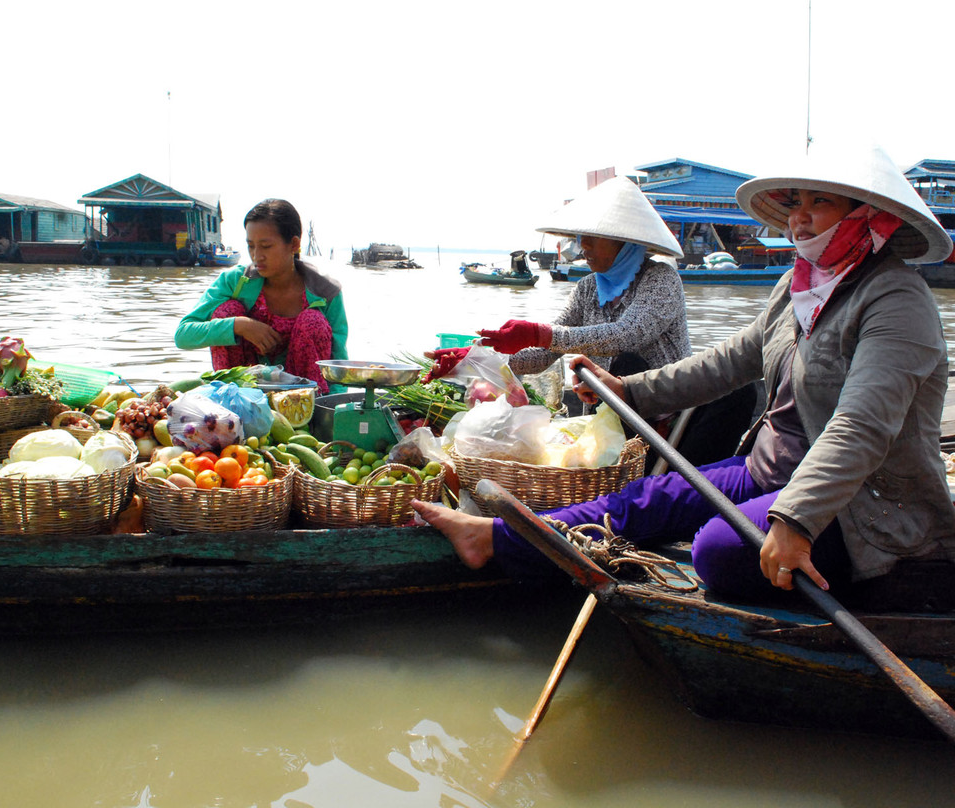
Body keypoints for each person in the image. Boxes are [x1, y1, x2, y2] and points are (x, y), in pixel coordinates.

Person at [413, 144, 955, 602]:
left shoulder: (895, 299)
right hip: (770, 467)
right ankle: (495, 538)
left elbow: (862, 424)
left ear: (868, 215)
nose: (799, 217)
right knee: (645, 500)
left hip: (859, 499)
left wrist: (796, 520)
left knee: (715, 551)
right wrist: (627, 389)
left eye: (820, 203)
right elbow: (726, 362)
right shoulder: (798, 286)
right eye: (795, 203)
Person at [426, 175, 755, 468]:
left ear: (623, 242)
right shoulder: (586, 290)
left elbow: (625, 335)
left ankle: (670, 480)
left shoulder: (661, 279)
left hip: (666, 414)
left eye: (593, 238)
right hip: (610, 418)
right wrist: (477, 360)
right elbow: (544, 354)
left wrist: (541, 334)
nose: (583, 247)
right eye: (581, 237)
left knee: (728, 389)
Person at [174, 199, 348, 395]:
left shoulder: (326, 292)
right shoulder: (235, 282)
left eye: (266, 246)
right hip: (244, 393)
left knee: (313, 321)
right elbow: (183, 335)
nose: (257, 256)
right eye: (251, 246)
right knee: (228, 311)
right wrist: (239, 325)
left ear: (294, 244)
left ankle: (313, 409)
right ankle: (230, 397)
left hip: (303, 399)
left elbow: (338, 367)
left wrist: (335, 411)